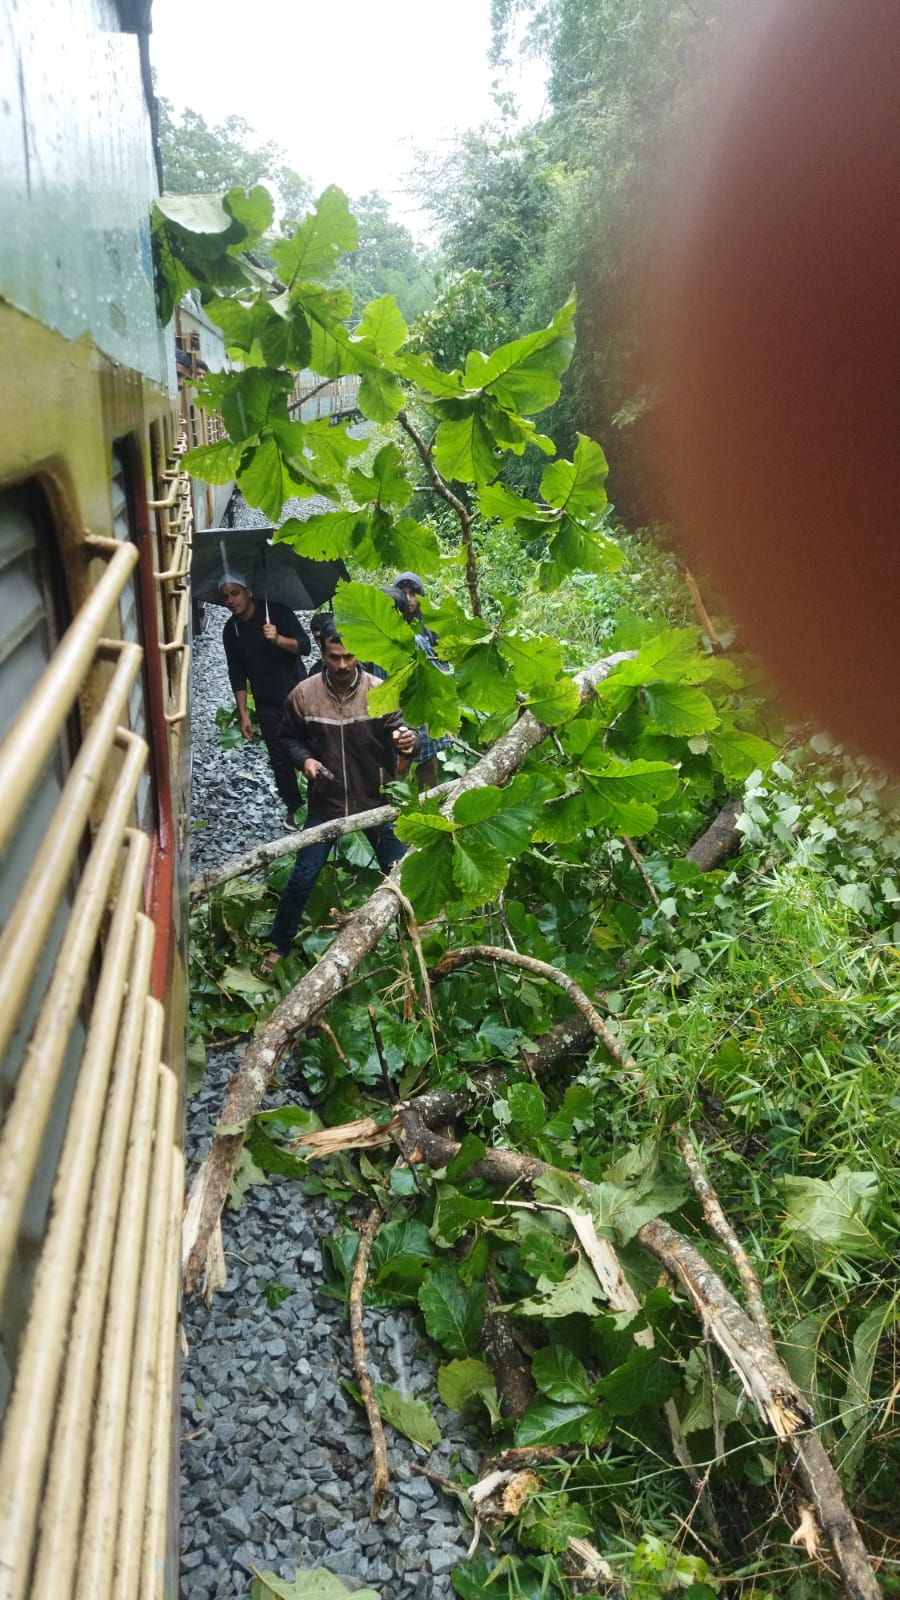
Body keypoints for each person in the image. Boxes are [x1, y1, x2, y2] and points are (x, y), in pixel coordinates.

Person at [262, 631, 419, 965]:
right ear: (322, 653)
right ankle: (279, 944)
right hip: (326, 803)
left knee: (399, 871)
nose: (344, 664)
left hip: (374, 801)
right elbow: (286, 737)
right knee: (303, 876)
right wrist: (304, 760)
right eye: (335, 657)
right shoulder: (303, 695)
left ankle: (419, 937)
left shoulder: (380, 691)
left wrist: (407, 741)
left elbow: (404, 733)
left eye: (350, 656)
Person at [219, 571, 311, 826]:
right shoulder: (231, 631)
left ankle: (321, 805)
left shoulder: (278, 613)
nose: (230, 600)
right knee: (279, 758)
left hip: (297, 694)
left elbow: (305, 646)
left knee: (311, 746)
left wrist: (278, 638)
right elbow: (236, 674)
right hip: (265, 701)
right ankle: (295, 809)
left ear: (248, 591)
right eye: (225, 596)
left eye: (235, 593)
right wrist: (243, 714)